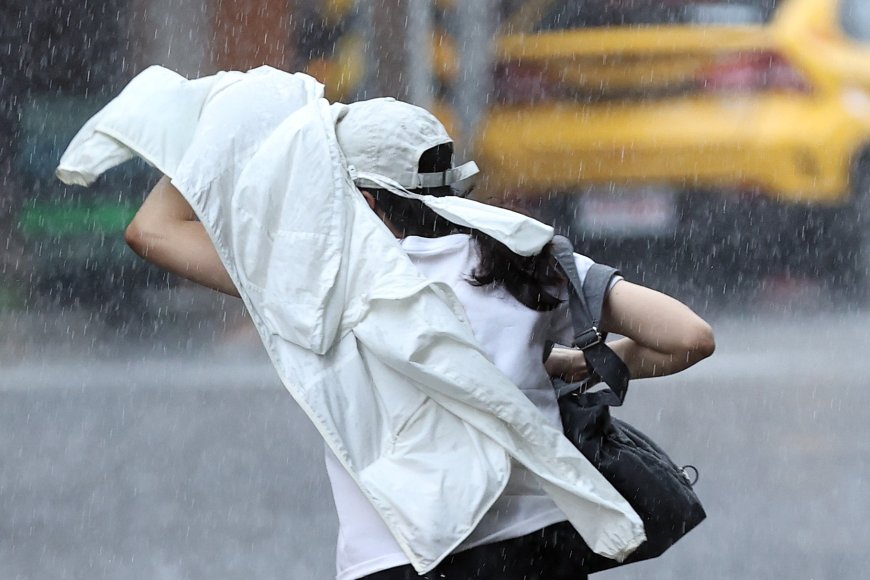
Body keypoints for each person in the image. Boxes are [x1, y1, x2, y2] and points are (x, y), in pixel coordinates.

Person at [122, 95, 715, 579]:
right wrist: (577, 364)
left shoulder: (314, 281)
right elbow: (688, 337)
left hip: (399, 554)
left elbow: (152, 230)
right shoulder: (519, 259)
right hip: (534, 546)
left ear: (363, 200)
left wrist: (232, 121)